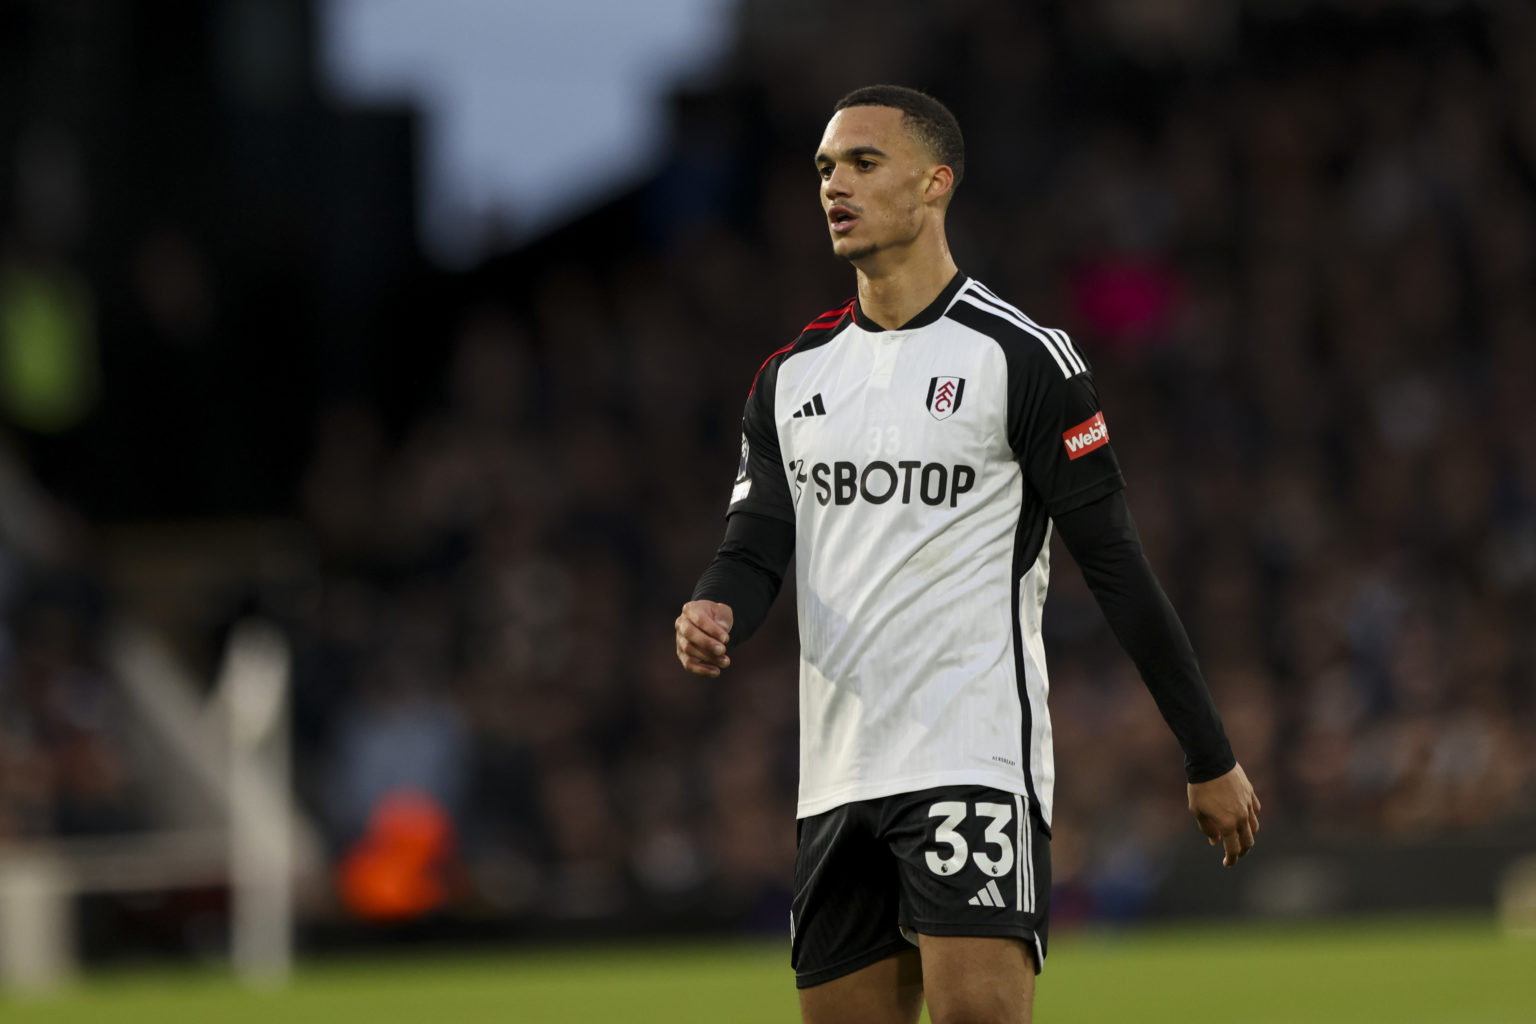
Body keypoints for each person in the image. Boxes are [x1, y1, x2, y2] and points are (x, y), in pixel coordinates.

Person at [673, 84, 1261, 1024]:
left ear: (935, 183)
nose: (836, 184)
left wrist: (1208, 754)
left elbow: (1114, 563)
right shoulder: (789, 378)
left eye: (864, 163)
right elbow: (755, 543)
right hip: (836, 776)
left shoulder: (1022, 357)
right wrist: (715, 604)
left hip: (970, 753)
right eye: (826, 167)